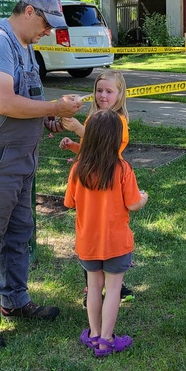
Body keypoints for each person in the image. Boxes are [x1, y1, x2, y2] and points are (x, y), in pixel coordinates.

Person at [0, 0, 84, 351]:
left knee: (18, 234)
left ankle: (14, 300)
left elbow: (29, 102)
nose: (49, 31)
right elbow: (3, 102)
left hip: (20, 159)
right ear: (28, 12)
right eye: (46, 23)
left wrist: (49, 119)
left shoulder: (26, 48)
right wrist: (53, 109)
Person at [64, 110, 148, 357]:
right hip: (116, 243)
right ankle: (107, 340)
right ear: (115, 139)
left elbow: (70, 202)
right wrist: (142, 198)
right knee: (113, 290)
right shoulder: (122, 169)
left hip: (87, 243)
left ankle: (93, 334)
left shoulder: (78, 168)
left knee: (93, 287)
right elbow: (133, 204)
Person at [59, 71, 136, 305]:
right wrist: (75, 146)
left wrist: (78, 130)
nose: (103, 95)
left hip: (111, 183)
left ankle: (115, 286)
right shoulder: (93, 117)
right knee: (92, 234)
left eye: (109, 91)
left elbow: (107, 149)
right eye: (99, 90)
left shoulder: (119, 122)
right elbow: (90, 150)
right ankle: (92, 289)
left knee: (111, 232)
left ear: (120, 94)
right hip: (92, 183)